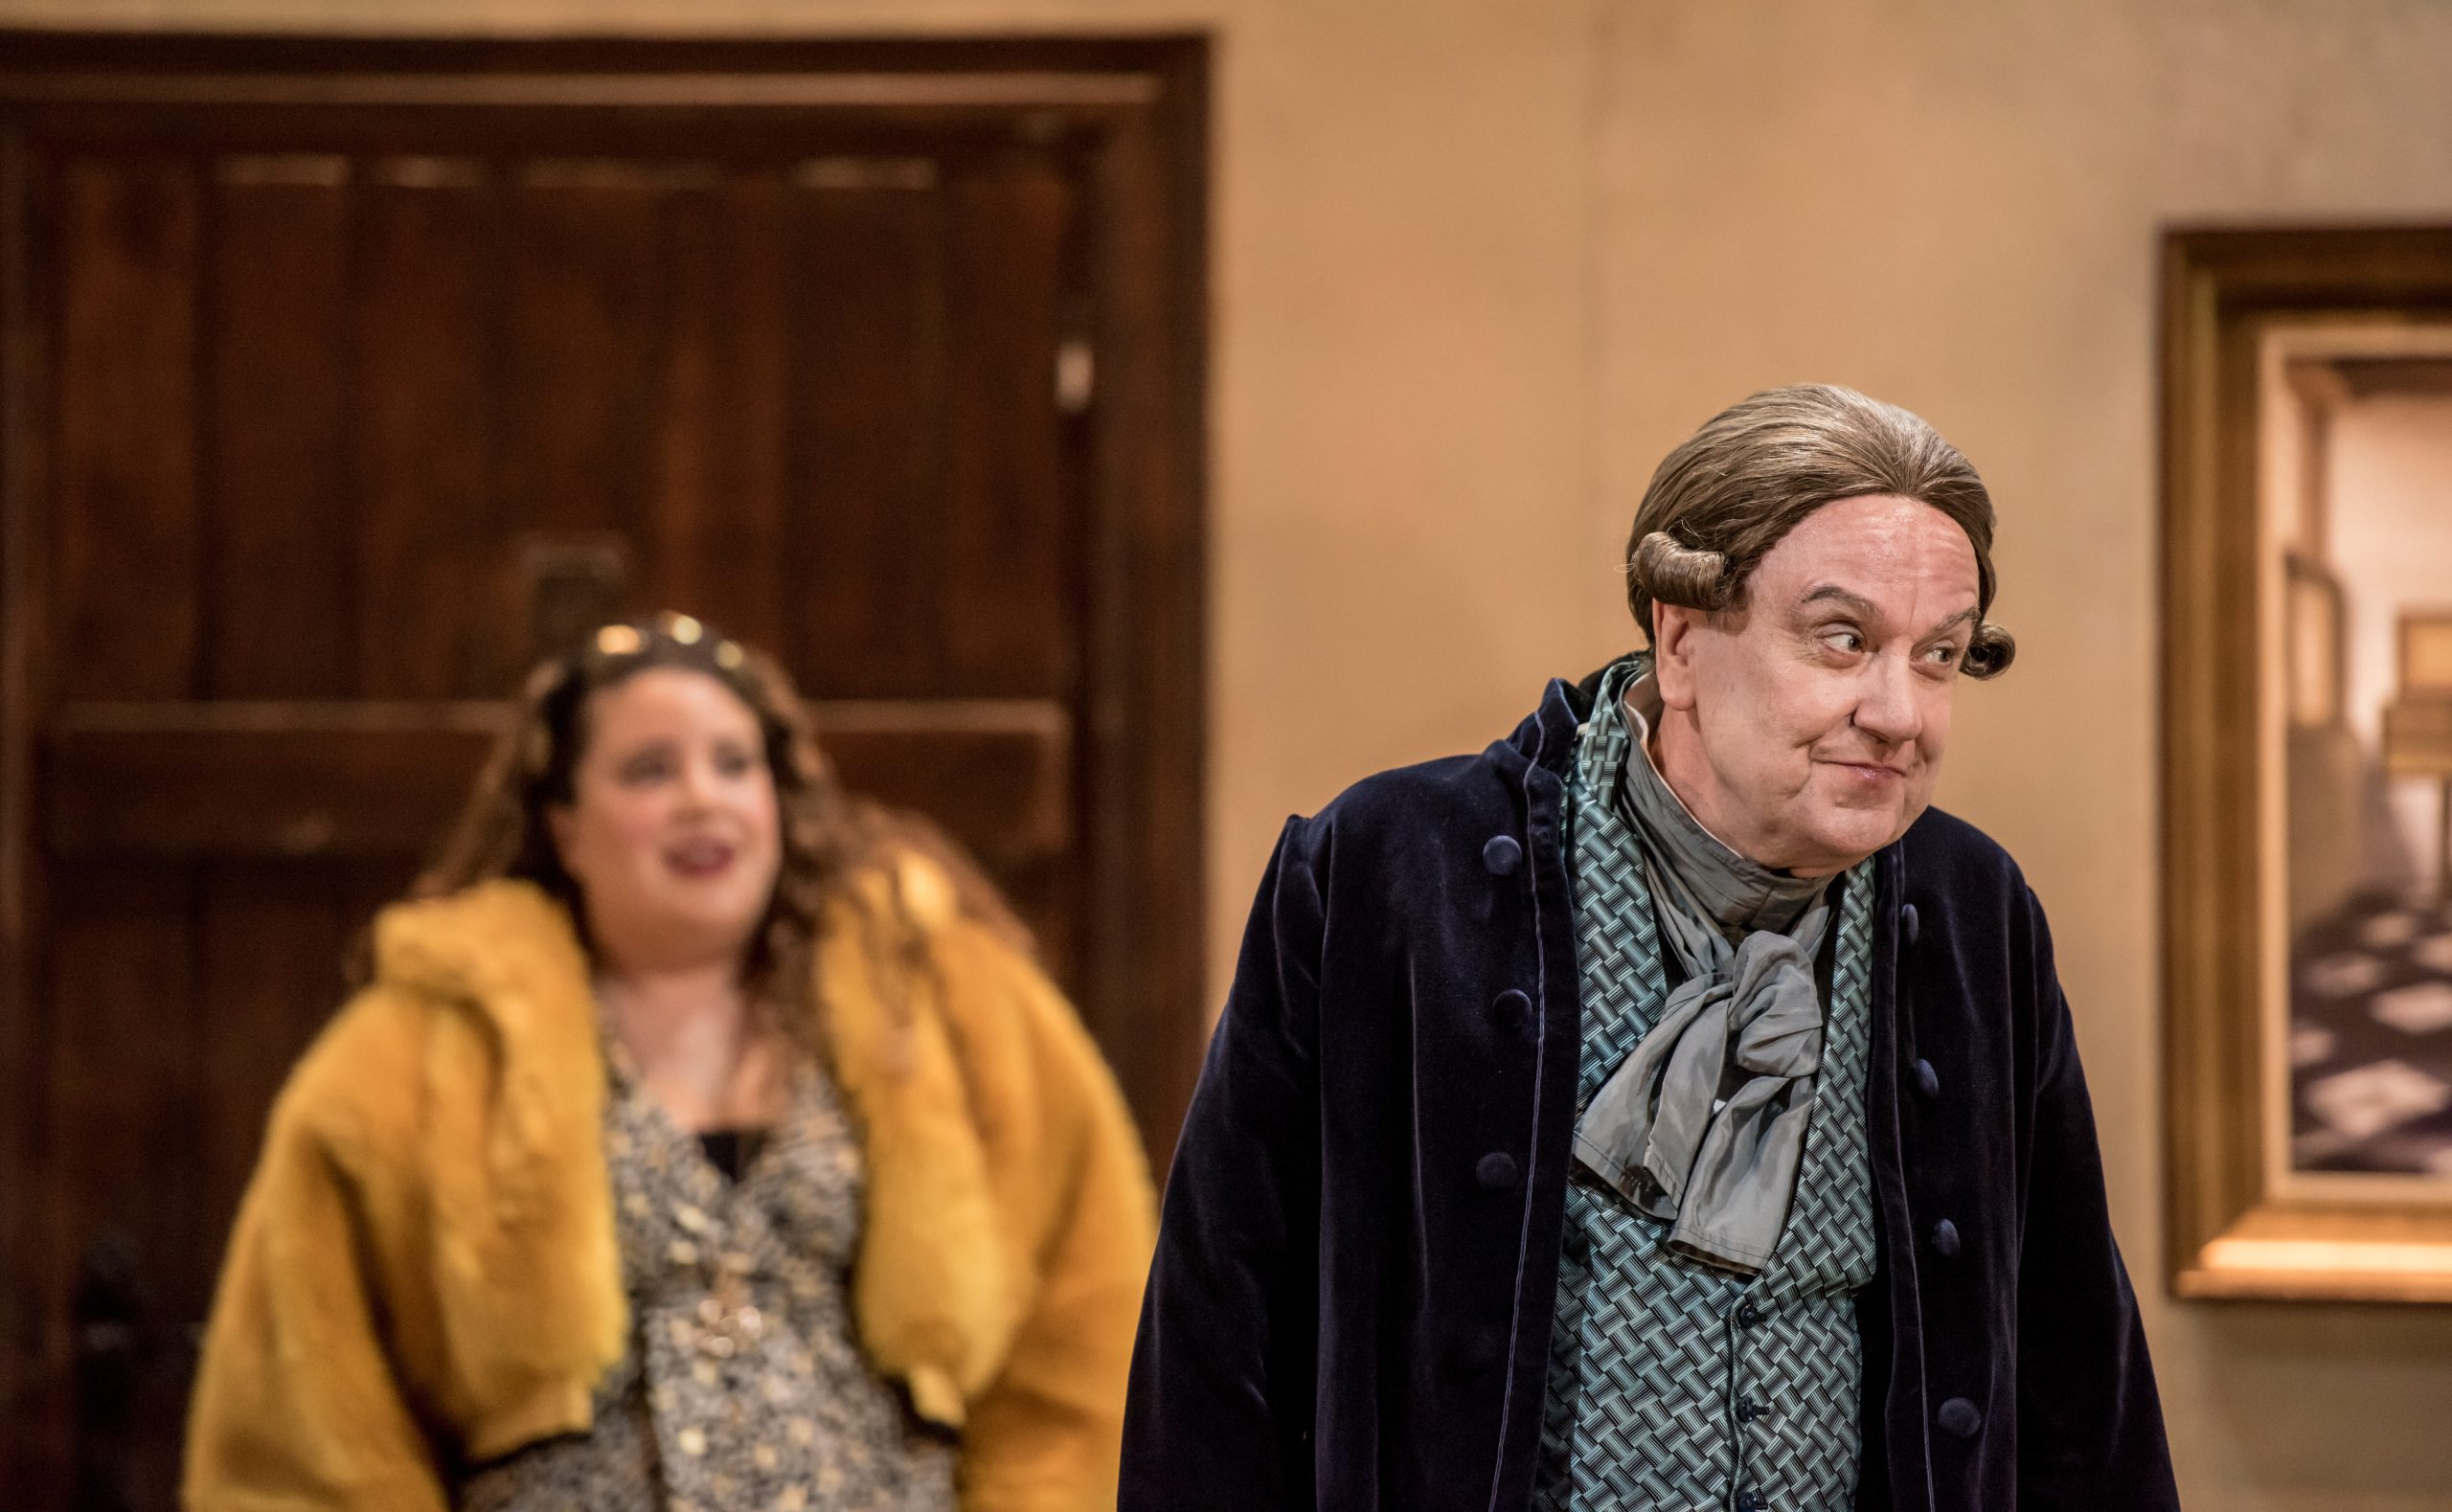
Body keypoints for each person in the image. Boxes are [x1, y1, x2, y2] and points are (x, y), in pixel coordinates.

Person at [1121, 386, 2180, 1511]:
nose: (1899, 712)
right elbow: (1217, 1339)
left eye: (1938, 656)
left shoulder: (1972, 910)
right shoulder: (1389, 874)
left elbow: (2077, 1370)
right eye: (1842, 640)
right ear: (1680, 640)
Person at [186, 614, 1154, 1512]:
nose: (703, 797)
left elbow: (1085, 1343)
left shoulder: (945, 1001)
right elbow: (304, 1417)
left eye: (734, 763)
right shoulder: (415, 1050)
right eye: (650, 769)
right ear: (565, 825)